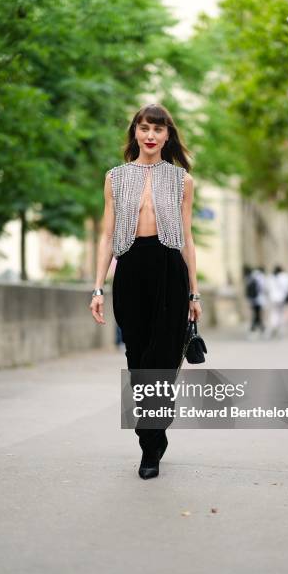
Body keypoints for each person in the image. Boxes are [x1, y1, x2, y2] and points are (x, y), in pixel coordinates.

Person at [89, 103, 202, 480]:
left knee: (165, 359)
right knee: (138, 360)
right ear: (135, 133)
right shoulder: (116, 177)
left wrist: (194, 293)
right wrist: (97, 287)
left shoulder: (181, 180)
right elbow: (107, 236)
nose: (150, 135)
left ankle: (149, 443)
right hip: (132, 268)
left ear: (168, 135)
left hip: (170, 269)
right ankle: (152, 435)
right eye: (144, 128)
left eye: (158, 129)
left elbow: (187, 238)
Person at [266, 265, 288, 338]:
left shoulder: (270, 277)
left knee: (274, 313)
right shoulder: (284, 277)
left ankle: (274, 326)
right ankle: (279, 328)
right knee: (280, 313)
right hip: (281, 297)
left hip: (272, 298)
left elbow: (267, 288)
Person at [245, 266, 266, 337]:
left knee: (256, 313)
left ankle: (258, 327)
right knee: (257, 313)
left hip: (252, 299)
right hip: (258, 299)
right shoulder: (260, 277)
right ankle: (256, 327)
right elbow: (262, 288)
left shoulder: (250, 277)